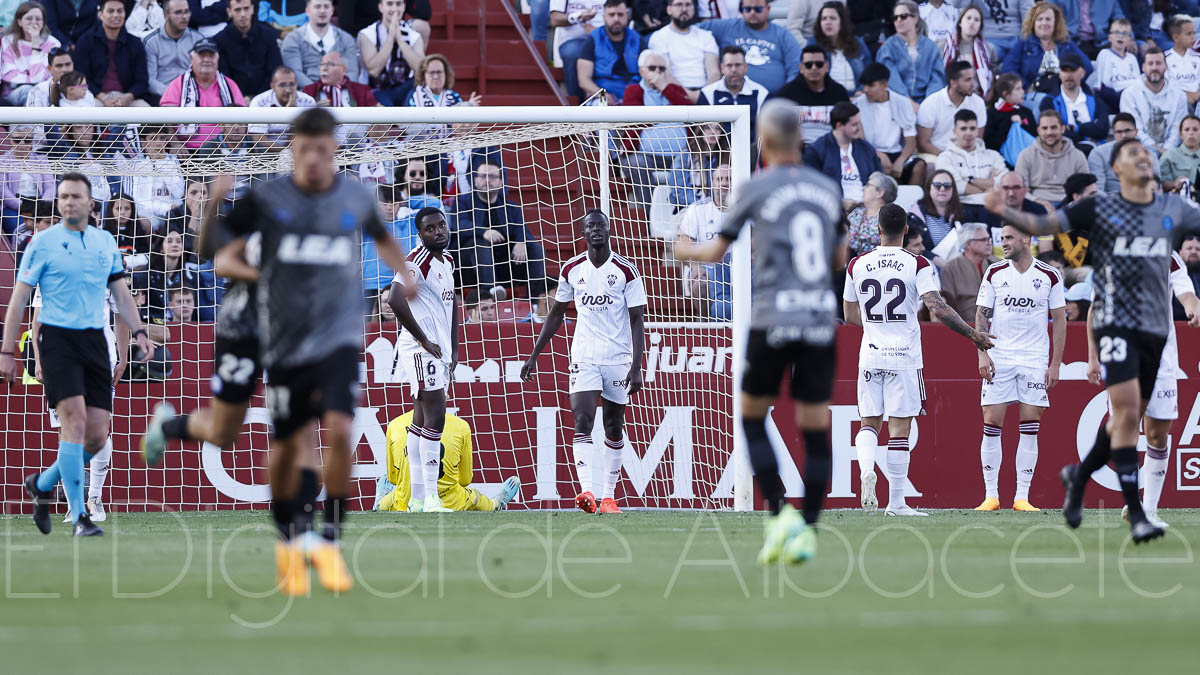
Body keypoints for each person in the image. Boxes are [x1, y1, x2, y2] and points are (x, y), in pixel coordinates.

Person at [209, 108, 414, 593]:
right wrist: (261, 276)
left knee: (341, 430)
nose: (314, 159)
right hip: (284, 340)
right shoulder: (267, 198)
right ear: (293, 149)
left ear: (334, 151)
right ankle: (287, 541)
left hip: (340, 335)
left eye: (323, 149)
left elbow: (384, 240)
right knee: (286, 447)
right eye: (305, 149)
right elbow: (221, 254)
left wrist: (404, 273)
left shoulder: (355, 196)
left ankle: (331, 539)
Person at [983, 136, 1200, 543]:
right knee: (1129, 410)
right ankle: (1138, 513)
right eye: (1131, 153)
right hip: (1117, 323)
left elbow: (1182, 266)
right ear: (1116, 169)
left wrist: (1190, 300)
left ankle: (1078, 477)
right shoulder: (1101, 207)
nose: (1142, 157)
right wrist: (1005, 210)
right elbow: (1046, 227)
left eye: (1146, 153)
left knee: (1129, 419)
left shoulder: (1171, 209)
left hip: (1155, 332)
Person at [673, 100, 840, 564]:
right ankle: (806, 528)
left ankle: (778, 512)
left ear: (763, 143)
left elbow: (712, 255)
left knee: (749, 417)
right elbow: (838, 258)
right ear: (800, 142)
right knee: (814, 429)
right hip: (819, 320)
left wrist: (679, 248)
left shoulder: (755, 187)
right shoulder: (827, 189)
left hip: (771, 317)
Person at [2, 173, 154, 537]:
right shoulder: (42, 243)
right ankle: (79, 514)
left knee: (98, 435)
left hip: (94, 344)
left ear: (90, 203)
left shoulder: (105, 242)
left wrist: (139, 332)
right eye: (64, 196)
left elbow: (120, 295)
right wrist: (8, 350)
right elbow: (19, 300)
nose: (69, 202)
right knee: (73, 424)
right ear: (58, 203)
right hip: (57, 341)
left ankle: (42, 484)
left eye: (76, 196)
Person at [844, 203, 995, 515]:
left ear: (878, 230)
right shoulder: (918, 264)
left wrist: (875, 327)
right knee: (899, 430)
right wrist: (972, 334)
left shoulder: (857, 264)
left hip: (870, 354)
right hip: (904, 356)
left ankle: (866, 469)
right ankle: (896, 502)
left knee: (868, 423)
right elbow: (937, 308)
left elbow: (849, 314)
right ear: (907, 231)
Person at [522, 209, 646, 516]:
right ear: (583, 233)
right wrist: (535, 354)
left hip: (617, 359)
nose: (596, 231)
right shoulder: (571, 269)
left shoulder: (626, 271)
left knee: (613, 427)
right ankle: (587, 491)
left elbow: (637, 320)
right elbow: (556, 313)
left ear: (609, 230)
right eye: (590, 227)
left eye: (601, 226)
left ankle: (608, 497)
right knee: (582, 421)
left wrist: (636, 366)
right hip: (584, 358)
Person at [1091, 250, 1200, 529]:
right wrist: (1093, 357)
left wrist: (1192, 305)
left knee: (1157, 435)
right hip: (1122, 357)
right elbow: (1096, 309)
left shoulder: (1169, 255)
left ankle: (1149, 509)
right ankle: (1137, 505)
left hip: (1162, 359)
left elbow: (1185, 289)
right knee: (1124, 426)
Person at [973, 224, 1066, 511]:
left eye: (1009, 238)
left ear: (1027, 238)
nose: (1004, 244)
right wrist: (982, 355)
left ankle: (1021, 497)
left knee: (1030, 425)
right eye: (1002, 239)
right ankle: (991, 496)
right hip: (1000, 356)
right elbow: (981, 315)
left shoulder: (1050, 275)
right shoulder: (995, 272)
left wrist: (1055, 364)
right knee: (991, 422)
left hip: (1034, 358)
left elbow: (1060, 320)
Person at [386, 207, 458, 513]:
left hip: (439, 351)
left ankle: (416, 499)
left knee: (419, 421)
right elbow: (394, 298)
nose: (438, 231)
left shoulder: (448, 261)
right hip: (420, 349)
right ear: (420, 233)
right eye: (431, 228)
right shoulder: (416, 262)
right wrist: (423, 339)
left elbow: (453, 306)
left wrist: (453, 349)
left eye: (442, 225)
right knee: (436, 417)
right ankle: (431, 498)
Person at [375, 410, 520, 511]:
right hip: (450, 502)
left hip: (406, 501)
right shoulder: (461, 426)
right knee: (473, 496)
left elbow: (393, 478)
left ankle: (380, 503)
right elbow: (465, 479)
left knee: (396, 495)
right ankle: (496, 504)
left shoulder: (395, 424)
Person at [452, 159, 548, 303]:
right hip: (469, 267)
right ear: (476, 180)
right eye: (483, 176)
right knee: (480, 244)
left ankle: (534, 301)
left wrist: (522, 242)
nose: (487, 180)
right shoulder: (463, 202)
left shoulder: (512, 207)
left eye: (492, 177)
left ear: (501, 182)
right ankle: (490, 293)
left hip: (504, 267)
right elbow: (458, 225)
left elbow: (522, 229)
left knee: (535, 248)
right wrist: (483, 232)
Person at [697, 0, 802, 94]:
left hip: (772, 101)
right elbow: (692, 30)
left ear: (768, 9)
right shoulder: (727, 27)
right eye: (747, 9)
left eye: (757, 9)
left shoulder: (782, 34)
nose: (752, 12)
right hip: (733, 97)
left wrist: (787, 93)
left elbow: (795, 67)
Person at [158, 39, 247, 151]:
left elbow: (242, 118)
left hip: (223, 150)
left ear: (218, 59)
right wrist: (175, 144)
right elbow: (165, 119)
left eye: (211, 56)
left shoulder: (229, 85)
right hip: (187, 151)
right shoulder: (178, 84)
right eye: (202, 55)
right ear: (191, 58)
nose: (206, 60)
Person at [675, 161, 731, 319]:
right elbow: (683, 244)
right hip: (708, 270)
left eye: (729, 179)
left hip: (737, 270)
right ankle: (707, 326)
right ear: (712, 183)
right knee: (699, 283)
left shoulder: (743, 209)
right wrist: (695, 266)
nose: (724, 183)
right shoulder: (698, 209)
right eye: (719, 179)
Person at [802, 101, 880, 211]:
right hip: (832, 210)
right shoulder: (816, 150)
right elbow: (811, 186)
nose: (859, 128)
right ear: (839, 125)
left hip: (868, 209)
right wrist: (839, 202)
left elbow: (880, 180)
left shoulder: (866, 149)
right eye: (854, 124)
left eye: (859, 123)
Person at [854, 63, 924, 186]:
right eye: (864, 85)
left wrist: (901, 160)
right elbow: (859, 138)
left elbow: (911, 140)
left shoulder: (902, 103)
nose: (865, 90)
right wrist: (877, 154)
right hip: (869, 152)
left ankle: (913, 205)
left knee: (919, 166)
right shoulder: (858, 104)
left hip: (897, 153)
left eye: (870, 85)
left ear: (885, 85)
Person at [999, 1, 1092, 90]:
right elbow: (1008, 69)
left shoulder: (1066, 44)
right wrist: (1025, 86)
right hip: (1032, 94)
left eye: (1048, 19)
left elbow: (1087, 67)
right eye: (1040, 19)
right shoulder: (1023, 43)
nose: (1044, 23)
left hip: (1061, 94)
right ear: (1033, 23)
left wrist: (1071, 85)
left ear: (1055, 23)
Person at [74, 0, 150, 107]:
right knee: (87, 113)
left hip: (128, 98)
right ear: (100, 15)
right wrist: (103, 97)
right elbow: (81, 78)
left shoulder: (135, 43)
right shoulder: (86, 41)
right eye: (110, 11)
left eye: (120, 11)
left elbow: (142, 81)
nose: (116, 15)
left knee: (149, 114)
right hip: (96, 97)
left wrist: (128, 97)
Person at [776, 44, 850, 145]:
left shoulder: (839, 93)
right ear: (801, 68)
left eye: (819, 64)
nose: (814, 68)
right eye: (808, 65)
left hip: (833, 149)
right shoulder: (786, 94)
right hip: (796, 151)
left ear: (827, 66)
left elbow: (847, 128)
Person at [280, 0, 364, 88]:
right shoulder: (293, 39)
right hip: (306, 94)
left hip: (341, 92)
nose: (322, 11)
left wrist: (337, 92)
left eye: (326, 7)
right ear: (307, 11)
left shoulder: (346, 39)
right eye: (317, 7)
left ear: (332, 10)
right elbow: (295, 73)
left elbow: (352, 72)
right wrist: (317, 92)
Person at [1120, 47, 1188, 154]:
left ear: (1166, 66)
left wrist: (1166, 152)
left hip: (1172, 152)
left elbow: (1177, 130)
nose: (1154, 67)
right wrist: (1156, 150)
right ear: (1143, 67)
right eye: (1150, 63)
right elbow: (1135, 129)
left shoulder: (1179, 96)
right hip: (1138, 151)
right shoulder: (1129, 94)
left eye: (1158, 63)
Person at [1039, 51, 1109, 154]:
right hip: (1064, 153)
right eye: (1064, 70)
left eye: (1073, 70)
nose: (1068, 75)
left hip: (1095, 153)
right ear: (1059, 73)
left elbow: (1103, 130)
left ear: (1083, 73)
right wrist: (1090, 129)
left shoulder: (1095, 99)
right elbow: (1054, 134)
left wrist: (1074, 128)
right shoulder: (1048, 101)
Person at [876, 0, 946, 103]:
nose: (899, 20)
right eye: (895, 18)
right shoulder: (888, 47)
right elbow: (891, 79)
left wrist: (928, 103)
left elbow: (938, 78)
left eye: (903, 16)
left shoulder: (930, 46)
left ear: (915, 18)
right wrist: (908, 101)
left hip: (928, 102)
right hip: (896, 102)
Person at [647, 0, 718, 100]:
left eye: (688, 5)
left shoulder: (706, 36)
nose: (684, 9)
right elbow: (665, 74)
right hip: (673, 95)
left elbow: (714, 73)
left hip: (706, 94)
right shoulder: (659, 37)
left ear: (694, 9)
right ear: (669, 9)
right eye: (679, 4)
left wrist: (704, 96)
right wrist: (690, 96)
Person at [358, 0, 424, 106]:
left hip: (405, 88)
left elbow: (420, 69)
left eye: (398, 4)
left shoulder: (414, 35)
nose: (394, 9)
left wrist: (401, 41)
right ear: (380, 7)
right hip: (377, 89)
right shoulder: (367, 34)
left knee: (418, 91)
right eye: (389, 4)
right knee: (384, 110)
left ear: (404, 7)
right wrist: (390, 39)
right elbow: (374, 70)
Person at [935, 109, 1007, 206]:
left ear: (977, 131)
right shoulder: (945, 158)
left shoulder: (993, 155)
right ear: (954, 131)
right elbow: (957, 187)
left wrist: (970, 180)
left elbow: (1005, 182)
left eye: (972, 128)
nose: (968, 133)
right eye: (963, 129)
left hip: (993, 207)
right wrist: (989, 185)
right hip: (962, 207)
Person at [696, 46, 768, 143]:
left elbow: (764, 131)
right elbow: (701, 132)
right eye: (729, 65)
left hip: (751, 153)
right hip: (719, 154)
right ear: (722, 68)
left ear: (745, 67)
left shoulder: (761, 93)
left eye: (738, 65)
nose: (734, 70)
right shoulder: (708, 93)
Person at [213, 0, 283, 99]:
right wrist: (239, 98)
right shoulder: (219, 40)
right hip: (232, 100)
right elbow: (223, 76)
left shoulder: (268, 36)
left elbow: (274, 71)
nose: (243, 14)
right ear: (229, 12)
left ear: (252, 9)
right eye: (237, 10)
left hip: (267, 97)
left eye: (246, 8)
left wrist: (257, 98)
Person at [917, 60, 988, 157]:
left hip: (968, 156)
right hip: (936, 155)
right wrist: (948, 158)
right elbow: (923, 143)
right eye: (968, 80)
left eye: (973, 79)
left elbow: (978, 139)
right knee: (930, 168)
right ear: (953, 83)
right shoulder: (930, 103)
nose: (973, 84)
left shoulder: (978, 103)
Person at [1014, 110, 1088, 203]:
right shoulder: (1026, 155)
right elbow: (1020, 189)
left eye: (1053, 128)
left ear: (1062, 129)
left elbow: (1085, 189)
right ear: (1038, 130)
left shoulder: (1077, 156)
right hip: (1037, 205)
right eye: (1044, 128)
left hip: (1070, 205)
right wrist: (1038, 202)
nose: (1049, 132)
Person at [578, 0, 644, 105]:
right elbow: (583, 79)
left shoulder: (637, 39)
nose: (616, 19)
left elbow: (649, 72)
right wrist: (603, 94)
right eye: (611, 15)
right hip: (602, 95)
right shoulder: (593, 39)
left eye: (620, 14)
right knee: (601, 106)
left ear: (627, 16)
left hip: (634, 94)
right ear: (604, 17)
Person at [1, 1, 61, 106]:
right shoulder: (8, 41)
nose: (34, 22)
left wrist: (35, 43)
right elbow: (9, 76)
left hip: (45, 91)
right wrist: (33, 78)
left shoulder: (53, 43)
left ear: (43, 22)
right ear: (19, 21)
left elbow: (44, 78)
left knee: (37, 91)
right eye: (29, 18)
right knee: (27, 90)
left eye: (38, 19)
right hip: (13, 93)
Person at [0, 124, 55, 235]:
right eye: (17, 140)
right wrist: (21, 206)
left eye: (27, 140)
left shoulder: (41, 159)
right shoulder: (3, 161)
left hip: (40, 203)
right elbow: (2, 190)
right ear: (10, 140)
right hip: (14, 206)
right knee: (21, 230)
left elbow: (51, 186)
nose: (22, 144)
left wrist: (41, 206)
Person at [143, 0, 203, 101]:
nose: (184, 17)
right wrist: (174, 94)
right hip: (162, 96)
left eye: (187, 11)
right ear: (166, 15)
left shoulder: (198, 39)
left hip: (193, 96)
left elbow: (204, 74)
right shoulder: (151, 42)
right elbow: (150, 80)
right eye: (178, 12)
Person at [939, 222, 999, 321]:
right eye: (984, 239)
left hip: (997, 324)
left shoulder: (997, 265)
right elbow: (949, 306)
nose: (989, 242)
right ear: (968, 244)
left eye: (989, 239)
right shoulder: (950, 268)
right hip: (966, 327)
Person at [808, 1, 872, 93]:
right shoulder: (813, 44)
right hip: (827, 97)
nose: (828, 22)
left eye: (832, 18)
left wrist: (861, 91)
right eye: (824, 19)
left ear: (842, 22)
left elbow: (868, 73)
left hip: (856, 97)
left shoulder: (857, 43)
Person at [247, 66, 317, 147]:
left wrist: (292, 115)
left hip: (299, 151)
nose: (287, 90)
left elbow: (309, 136)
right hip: (266, 154)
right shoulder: (259, 102)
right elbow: (258, 139)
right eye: (282, 85)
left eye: (291, 84)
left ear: (296, 84)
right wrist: (283, 152)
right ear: (272, 86)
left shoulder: (307, 101)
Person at [1089, 113, 1157, 195]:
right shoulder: (1098, 154)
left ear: (1136, 132)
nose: (1123, 135)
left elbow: (1156, 187)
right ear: (1114, 134)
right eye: (1119, 132)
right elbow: (1097, 190)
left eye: (1127, 130)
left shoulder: (1149, 154)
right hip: (1111, 202)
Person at [550, 0, 606, 99]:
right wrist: (578, 17)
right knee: (573, 53)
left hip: (605, 38)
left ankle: (613, 102)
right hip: (574, 40)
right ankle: (578, 106)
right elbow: (554, 19)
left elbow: (619, 15)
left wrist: (597, 33)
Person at [941, 4, 994, 100]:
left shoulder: (988, 49)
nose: (972, 22)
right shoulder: (944, 45)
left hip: (978, 97)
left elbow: (993, 74)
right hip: (950, 96)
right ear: (960, 22)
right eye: (968, 18)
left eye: (976, 20)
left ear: (980, 26)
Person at [982, 72, 1038, 155]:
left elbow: (1034, 136)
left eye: (1022, 88)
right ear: (1006, 94)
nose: (1022, 92)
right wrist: (1008, 123)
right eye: (1018, 89)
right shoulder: (992, 114)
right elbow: (990, 143)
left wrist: (1022, 125)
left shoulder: (1026, 112)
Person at [846, 171, 898, 256]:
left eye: (868, 185)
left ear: (880, 193)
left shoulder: (891, 218)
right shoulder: (856, 213)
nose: (863, 188)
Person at [301, 51, 378, 108]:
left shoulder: (361, 90)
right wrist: (314, 109)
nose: (324, 68)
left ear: (344, 70)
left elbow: (375, 118)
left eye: (330, 64)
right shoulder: (309, 90)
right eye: (322, 64)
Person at [1095, 18, 1140, 111]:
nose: (1120, 36)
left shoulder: (1132, 58)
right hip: (1112, 98)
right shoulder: (1104, 54)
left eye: (1125, 33)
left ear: (1129, 39)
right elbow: (1103, 85)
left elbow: (1138, 84)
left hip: (1131, 97)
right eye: (1116, 32)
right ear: (1109, 37)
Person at [1164, 14, 1200, 109]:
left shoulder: (1198, 58)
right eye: (1189, 34)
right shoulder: (1165, 58)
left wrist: (1197, 94)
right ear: (1176, 37)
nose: (1193, 37)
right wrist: (1185, 94)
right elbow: (1166, 86)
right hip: (1176, 101)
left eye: (1193, 33)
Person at [1158, 115, 1200, 190]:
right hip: (1178, 199)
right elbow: (1158, 183)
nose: (1191, 133)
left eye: (1195, 129)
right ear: (1181, 134)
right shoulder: (1170, 155)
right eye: (1187, 129)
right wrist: (1173, 184)